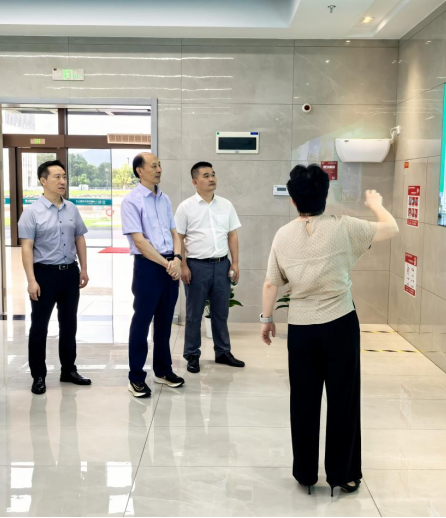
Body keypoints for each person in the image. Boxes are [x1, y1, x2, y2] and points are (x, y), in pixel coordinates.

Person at [260, 164, 399, 496]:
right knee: (343, 400)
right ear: (325, 196)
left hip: (302, 330)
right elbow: (391, 227)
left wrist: (266, 320)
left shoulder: (282, 235)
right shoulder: (345, 227)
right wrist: (376, 204)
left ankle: (305, 474)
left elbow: (270, 283)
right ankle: (343, 474)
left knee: (303, 401)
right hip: (340, 325)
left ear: (293, 200)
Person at [18, 160, 91, 395]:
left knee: (69, 324)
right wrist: (31, 280)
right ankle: (38, 375)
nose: (62, 181)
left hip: (69, 272)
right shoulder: (31, 212)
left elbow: (79, 238)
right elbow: (27, 248)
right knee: (39, 326)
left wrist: (84, 268)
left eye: (64, 177)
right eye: (57, 177)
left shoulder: (72, 208)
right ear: (43, 181)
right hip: (44, 274)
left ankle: (68, 370)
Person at [121, 152, 185, 398]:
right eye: (154, 166)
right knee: (142, 320)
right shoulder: (131, 201)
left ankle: (163, 370)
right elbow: (139, 241)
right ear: (140, 170)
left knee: (165, 321)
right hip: (148, 266)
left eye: (160, 165)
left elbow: (174, 232)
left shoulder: (164, 199)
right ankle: (136, 377)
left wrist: (177, 259)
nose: (159, 170)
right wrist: (166, 263)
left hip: (170, 264)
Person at [175, 161, 245, 374]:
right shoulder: (185, 207)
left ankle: (223, 352)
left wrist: (235, 262)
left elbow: (232, 234)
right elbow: (179, 237)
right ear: (195, 182)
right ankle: (192, 354)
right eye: (206, 176)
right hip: (196, 267)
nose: (212, 178)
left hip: (222, 265)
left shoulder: (226, 205)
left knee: (221, 312)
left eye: (213, 174)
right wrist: (183, 265)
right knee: (194, 314)